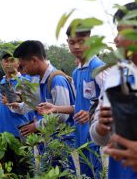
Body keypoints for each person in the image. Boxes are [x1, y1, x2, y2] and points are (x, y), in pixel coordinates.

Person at [90, 2, 137, 178]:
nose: (116, 40)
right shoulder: (115, 76)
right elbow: (99, 135)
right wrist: (101, 129)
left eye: (121, 31)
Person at [13, 40, 76, 172]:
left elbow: (61, 116)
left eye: (23, 65)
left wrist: (35, 126)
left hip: (60, 141)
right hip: (51, 140)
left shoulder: (56, 80)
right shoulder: (43, 80)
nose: (23, 70)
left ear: (34, 60)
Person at [65, 24, 107, 178]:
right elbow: (79, 105)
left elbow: (112, 101)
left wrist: (92, 112)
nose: (76, 46)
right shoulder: (76, 72)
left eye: (81, 41)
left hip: (95, 135)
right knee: (85, 174)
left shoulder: (99, 68)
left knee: (97, 173)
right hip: (80, 134)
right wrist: (55, 107)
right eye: (72, 42)